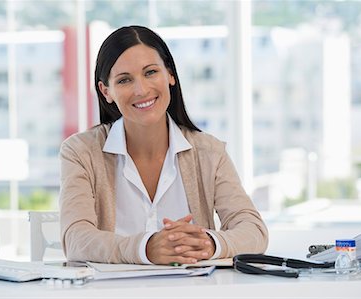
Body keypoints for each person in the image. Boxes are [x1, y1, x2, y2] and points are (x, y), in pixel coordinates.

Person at [59, 25, 268, 265]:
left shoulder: (209, 152)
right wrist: (145, 248)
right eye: (125, 80)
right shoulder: (80, 152)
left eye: (150, 72)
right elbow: (75, 239)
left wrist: (208, 244)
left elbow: (254, 230)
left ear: (170, 75)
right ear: (106, 91)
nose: (141, 89)